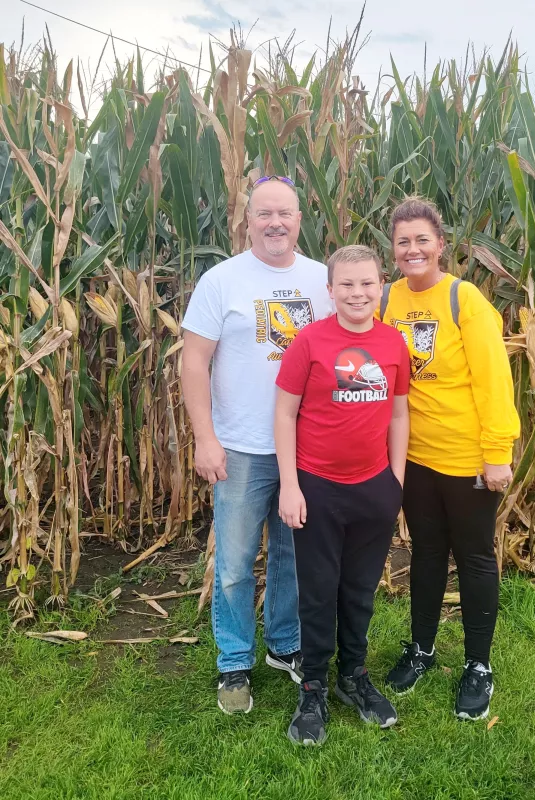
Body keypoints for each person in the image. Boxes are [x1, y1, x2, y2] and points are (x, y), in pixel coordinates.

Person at [181, 176, 333, 715]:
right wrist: (205, 437)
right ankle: (234, 661)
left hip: (305, 446)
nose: (275, 223)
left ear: (299, 219)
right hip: (241, 446)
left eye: (285, 214)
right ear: (247, 220)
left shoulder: (322, 281)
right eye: (264, 213)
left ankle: (285, 645)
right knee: (235, 562)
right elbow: (193, 361)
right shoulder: (221, 281)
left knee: (294, 556)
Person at [379, 197, 520, 721]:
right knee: (427, 553)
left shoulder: (465, 300)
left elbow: (493, 380)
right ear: (392, 250)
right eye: (402, 241)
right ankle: (421, 649)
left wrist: (497, 453)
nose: (412, 249)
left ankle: (478, 665)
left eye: (422, 240)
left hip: (466, 458)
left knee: (476, 557)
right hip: (415, 456)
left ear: (441, 244)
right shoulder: (387, 299)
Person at [274, 245, 410, 745]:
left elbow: (398, 413)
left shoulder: (393, 344)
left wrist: (394, 481)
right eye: (347, 285)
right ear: (330, 290)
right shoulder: (309, 342)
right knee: (318, 591)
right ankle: (312, 686)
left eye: (367, 283)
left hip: (373, 487)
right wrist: (290, 485)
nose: (358, 293)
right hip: (317, 488)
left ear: (381, 286)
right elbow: (284, 414)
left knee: (359, 590)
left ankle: (353, 676)